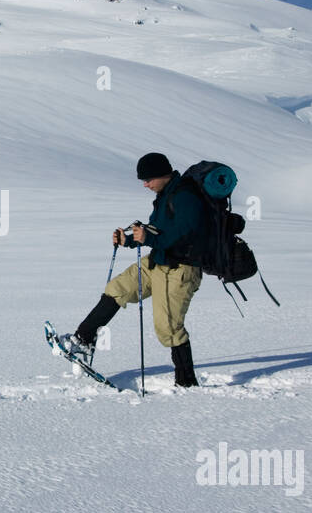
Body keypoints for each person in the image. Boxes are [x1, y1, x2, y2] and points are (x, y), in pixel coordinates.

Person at [58, 152, 204, 387]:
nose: (145, 184)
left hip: (180, 269)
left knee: (168, 328)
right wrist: (130, 240)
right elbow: (158, 231)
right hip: (157, 261)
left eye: (148, 179)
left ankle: (187, 383)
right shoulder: (164, 194)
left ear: (162, 174)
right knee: (117, 288)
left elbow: (186, 236)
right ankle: (82, 339)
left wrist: (147, 238)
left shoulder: (186, 196)